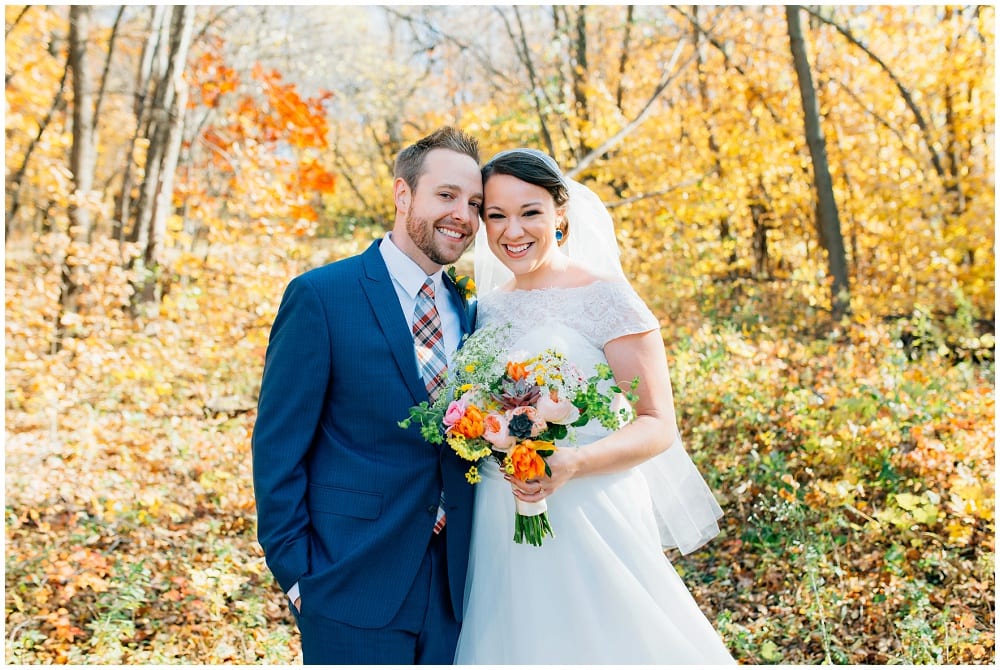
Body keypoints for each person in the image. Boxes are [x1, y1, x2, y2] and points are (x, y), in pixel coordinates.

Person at [453, 148, 736, 664]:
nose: (512, 230)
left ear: (561, 212)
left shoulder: (609, 299)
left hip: (590, 502)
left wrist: (572, 463)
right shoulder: (482, 310)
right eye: (496, 215)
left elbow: (656, 425)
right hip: (499, 510)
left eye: (529, 212)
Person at [251, 126, 483, 664]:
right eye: (446, 195)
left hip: (455, 591)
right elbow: (278, 448)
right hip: (348, 583)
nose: (463, 217)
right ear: (403, 195)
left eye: (474, 203)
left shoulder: (471, 310)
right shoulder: (321, 296)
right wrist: (299, 577)